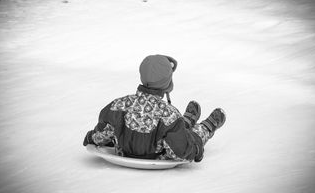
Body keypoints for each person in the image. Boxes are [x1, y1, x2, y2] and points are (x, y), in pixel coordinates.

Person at [83, 54, 226, 162]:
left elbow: (100, 135)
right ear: (167, 84)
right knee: (191, 137)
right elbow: (180, 152)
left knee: (176, 128)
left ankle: (185, 124)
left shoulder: (117, 106)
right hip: (157, 158)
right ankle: (205, 129)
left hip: (125, 154)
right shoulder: (169, 115)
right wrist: (196, 149)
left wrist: (91, 137)